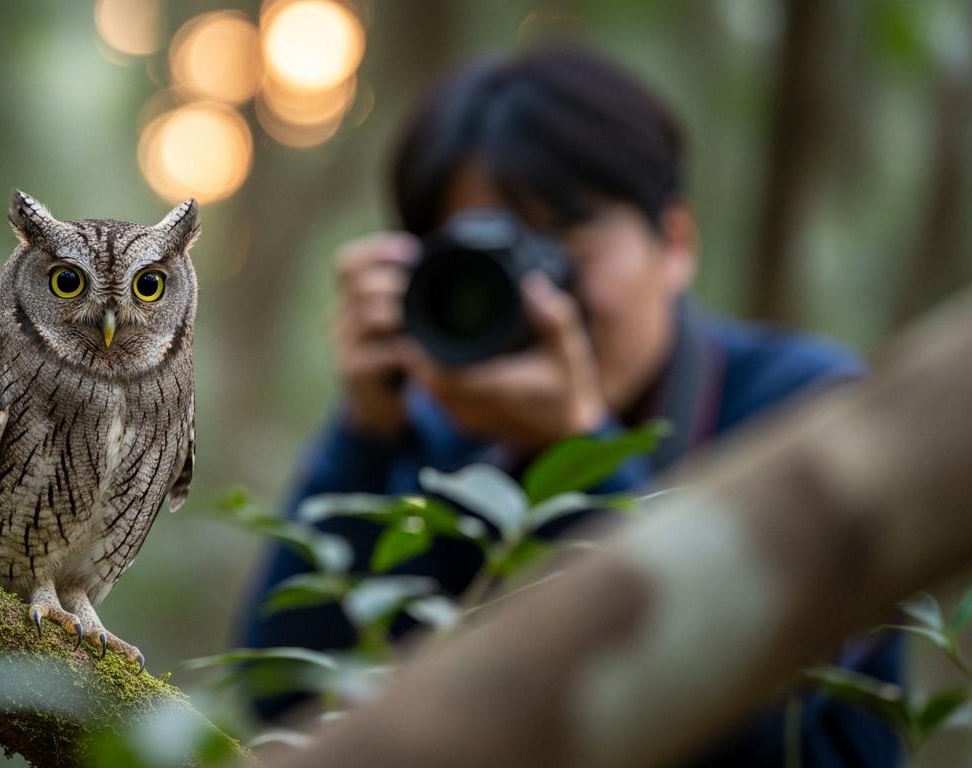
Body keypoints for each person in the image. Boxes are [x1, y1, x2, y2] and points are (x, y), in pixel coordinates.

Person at [239, 45, 903, 767]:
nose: (527, 295)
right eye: (471, 253)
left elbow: (795, 743)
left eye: (557, 238)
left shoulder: (806, 412)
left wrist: (582, 456)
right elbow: (282, 697)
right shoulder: (437, 443)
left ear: (674, 242)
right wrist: (364, 436)